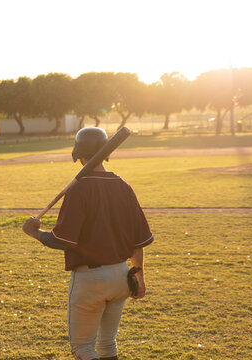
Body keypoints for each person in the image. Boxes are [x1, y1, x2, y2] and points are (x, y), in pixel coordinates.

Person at [22, 127, 153, 360]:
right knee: (107, 344)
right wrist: (140, 278)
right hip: (122, 276)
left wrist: (35, 232)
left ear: (78, 154)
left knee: (83, 348)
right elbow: (138, 240)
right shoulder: (123, 186)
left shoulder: (79, 190)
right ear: (105, 153)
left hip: (90, 280)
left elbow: (63, 240)